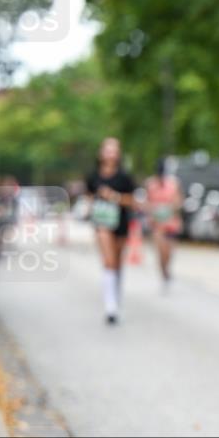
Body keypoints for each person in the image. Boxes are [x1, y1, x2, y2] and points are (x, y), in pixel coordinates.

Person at [85, 137, 136, 324]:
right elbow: (89, 197)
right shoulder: (93, 176)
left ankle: (115, 295)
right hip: (102, 223)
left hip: (120, 223)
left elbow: (132, 201)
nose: (111, 154)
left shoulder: (124, 177)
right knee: (109, 261)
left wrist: (114, 197)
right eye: (108, 150)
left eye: (114, 150)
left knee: (117, 263)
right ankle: (110, 307)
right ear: (101, 153)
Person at [144, 158, 182, 292]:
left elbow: (178, 201)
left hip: (171, 223)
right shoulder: (150, 184)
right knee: (160, 251)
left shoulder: (173, 184)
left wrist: (170, 208)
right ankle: (164, 275)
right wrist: (153, 210)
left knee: (169, 252)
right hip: (157, 224)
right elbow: (147, 202)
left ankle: (167, 271)